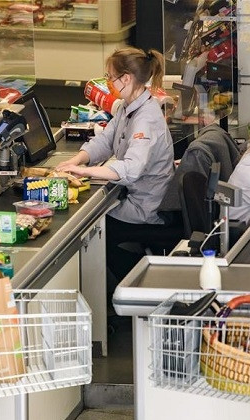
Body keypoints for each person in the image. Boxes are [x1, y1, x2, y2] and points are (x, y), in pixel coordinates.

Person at [56, 46, 174, 285]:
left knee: (93, 231)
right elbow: (107, 139)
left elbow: (131, 169)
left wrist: (85, 171)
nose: (108, 82)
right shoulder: (130, 106)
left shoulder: (145, 119)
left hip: (148, 209)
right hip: (137, 198)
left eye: (111, 77)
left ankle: (137, 286)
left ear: (126, 78)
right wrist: (77, 159)